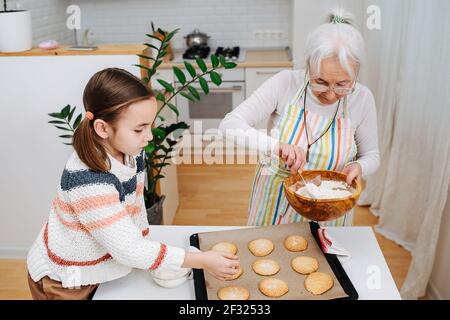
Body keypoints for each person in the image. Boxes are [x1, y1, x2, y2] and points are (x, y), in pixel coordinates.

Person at [27, 68, 240, 300]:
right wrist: (199, 260)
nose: (149, 136)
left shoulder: (131, 152)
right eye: (140, 129)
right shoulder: (88, 183)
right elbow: (128, 248)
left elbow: (133, 210)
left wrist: (146, 249)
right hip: (68, 281)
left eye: (150, 125)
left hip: (101, 269)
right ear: (102, 128)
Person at [219, 9, 380, 227]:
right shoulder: (285, 83)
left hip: (330, 210)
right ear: (308, 67)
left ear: (356, 71)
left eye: (342, 84)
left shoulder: (362, 99)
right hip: (274, 201)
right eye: (320, 82)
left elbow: (372, 155)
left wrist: (359, 167)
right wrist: (276, 146)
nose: (331, 94)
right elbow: (229, 125)